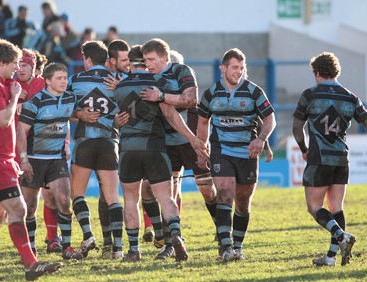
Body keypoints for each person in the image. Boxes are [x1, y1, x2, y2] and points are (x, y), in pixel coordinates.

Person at [0, 39, 61, 281]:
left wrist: (14, 88)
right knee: (19, 209)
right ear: (1, 62)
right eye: (13, 63)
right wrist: (14, 98)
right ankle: (31, 265)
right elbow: (3, 120)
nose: (17, 68)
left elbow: (15, 85)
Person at [114, 45, 207, 261]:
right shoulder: (157, 83)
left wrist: (116, 123)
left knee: (130, 199)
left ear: (129, 62)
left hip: (127, 150)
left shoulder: (119, 87)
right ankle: (175, 236)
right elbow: (172, 116)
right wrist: (192, 139)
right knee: (166, 197)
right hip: (154, 148)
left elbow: (114, 119)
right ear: (144, 62)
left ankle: (134, 250)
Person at [140, 38, 218, 260]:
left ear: (165, 58)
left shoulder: (182, 70)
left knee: (207, 189)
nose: (147, 64)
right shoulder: (151, 79)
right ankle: (171, 241)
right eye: (145, 60)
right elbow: (169, 112)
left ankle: (221, 230)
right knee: (166, 194)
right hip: (167, 143)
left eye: (151, 59)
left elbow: (191, 100)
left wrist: (163, 96)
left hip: (191, 139)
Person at [197, 48, 276, 262]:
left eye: (242, 68)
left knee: (242, 201)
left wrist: (261, 139)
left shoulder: (254, 91)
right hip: (221, 150)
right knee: (224, 193)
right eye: (234, 67)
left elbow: (270, 118)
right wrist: (201, 148)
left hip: (247, 152)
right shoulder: (210, 93)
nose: (239, 72)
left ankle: (238, 246)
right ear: (223, 68)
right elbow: (203, 122)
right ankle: (226, 246)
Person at [292, 52, 366, 266]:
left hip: (319, 158)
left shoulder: (310, 94)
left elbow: (298, 126)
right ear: (336, 72)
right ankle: (331, 257)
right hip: (342, 158)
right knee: (337, 208)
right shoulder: (350, 97)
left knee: (314, 206)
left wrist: (303, 148)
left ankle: (342, 236)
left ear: (317, 73)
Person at [17, 62, 83, 261]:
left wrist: (67, 142)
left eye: (65, 78)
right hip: (35, 159)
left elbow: (69, 117)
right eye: (59, 78)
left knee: (64, 201)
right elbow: (21, 132)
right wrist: (24, 160)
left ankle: (67, 247)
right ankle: (30, 248)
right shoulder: (35, 103)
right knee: (29, 208)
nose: (64, 82)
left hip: (56, 159)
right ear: (47, 81)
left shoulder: (70, 98)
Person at [68, 40, 124, 259]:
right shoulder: (117, 80)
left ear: (88, 59)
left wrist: (80, 114)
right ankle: (118, 249)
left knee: (78, 194)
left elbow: (62, 106)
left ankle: (88, 235)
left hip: (84, 140)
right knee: (112, 197)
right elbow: (130, 108)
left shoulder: (75, 79)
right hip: (110, 141)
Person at [15, 49, 62, 254]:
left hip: (44, 147)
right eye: (18, 64)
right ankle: (27, 244)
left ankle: (53, 238)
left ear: (33, 67)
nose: (20, 68)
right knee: (23, 202)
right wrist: (13, 98)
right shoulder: (9, 84)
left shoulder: (43, 83)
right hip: (17, 147)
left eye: (24, 64)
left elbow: (56, 109)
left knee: (50, 195)